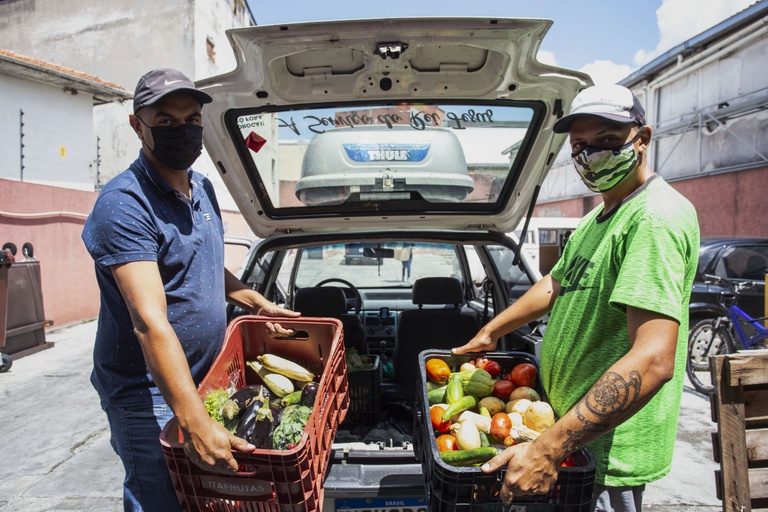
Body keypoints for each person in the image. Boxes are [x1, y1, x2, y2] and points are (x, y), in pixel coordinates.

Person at [453, 84, 700, 512]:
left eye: (607, 140)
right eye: (581, 145)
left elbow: (655, 359)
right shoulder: (598, 218)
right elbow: (554, 284)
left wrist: (547, 450)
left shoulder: (654, 219)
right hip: (570, 433)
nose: (592, 155)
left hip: (604, 453)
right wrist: (491, 331)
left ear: (642, 139)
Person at [81, 68, 300, 512]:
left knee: (203, 501)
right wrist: (192, 418)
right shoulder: (125, 203)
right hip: (148, 395)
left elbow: (197, 259)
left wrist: (251, 299)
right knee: (161, 500)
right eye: (164, 120)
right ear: (136, 125)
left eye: (192, 119)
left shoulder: (201, 186)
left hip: (203, 379)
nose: (182, 130)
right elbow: (148, 321)